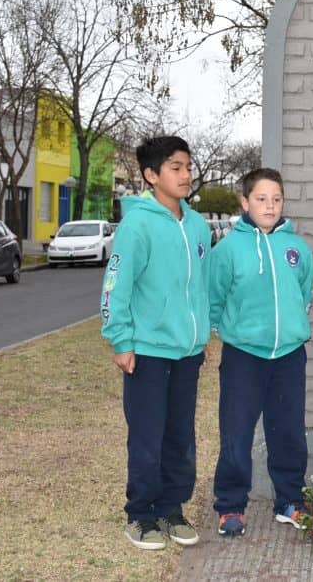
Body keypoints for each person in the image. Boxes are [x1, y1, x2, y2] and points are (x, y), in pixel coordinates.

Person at [100, 135, 212, 550]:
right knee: (147, 433)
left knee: (180, 434)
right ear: (151, 175)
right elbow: (116, 288)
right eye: (175, 168)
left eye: (187, 166)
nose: (185, 175)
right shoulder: (137, 225)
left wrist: (203, 331)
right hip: (146, 351)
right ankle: (142, 515)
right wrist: (120, 340)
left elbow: (203, 286)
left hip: (187, 351)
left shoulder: (199, 225)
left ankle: (171, 508)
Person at [209, 167, 313, 537]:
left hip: (288, 354)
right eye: (261, 199)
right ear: (244, 202)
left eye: (276, 199)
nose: (269, 206)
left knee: (288, 430)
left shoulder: (297, 248)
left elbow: (304, 293)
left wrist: (288, 328)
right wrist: (233, 332)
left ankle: (289, 500)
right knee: (236, 431)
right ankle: (230, 504)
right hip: (244, 356)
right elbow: (215, 300)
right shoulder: (228, 251)